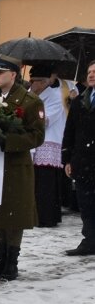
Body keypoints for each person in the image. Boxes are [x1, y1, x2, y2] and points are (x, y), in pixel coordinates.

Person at [0, 55, 45, 281]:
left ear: (13, 74)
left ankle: (11, 260)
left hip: (15, 165)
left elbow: (37, 136)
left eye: (0, 72)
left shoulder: (30, 101)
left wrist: (7, 139)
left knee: (13, 211)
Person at [62, 60, 95, 256]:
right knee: (86, 203)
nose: (91, 75)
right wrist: (67, 159)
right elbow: (70, 131)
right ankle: (90, 240)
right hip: (83, 162)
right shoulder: (79, 100)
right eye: (89, 71)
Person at [28, 65, 65, 228]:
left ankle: (47, 216)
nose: (31, 85)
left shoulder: (55, 97)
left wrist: (29, 118)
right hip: (34, 142)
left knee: (46, 183)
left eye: (34, 82)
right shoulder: (31, 94)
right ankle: (36, 214)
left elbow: (46, 120)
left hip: (48, 142)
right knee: (35, 181)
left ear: (43, 82)